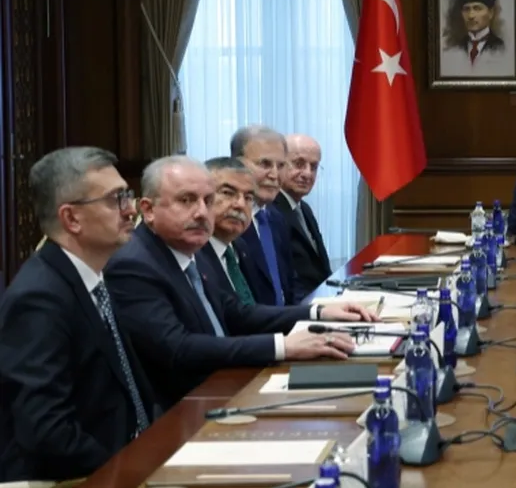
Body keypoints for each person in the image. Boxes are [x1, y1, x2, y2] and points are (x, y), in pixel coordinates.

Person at [105, 156, 377, 409]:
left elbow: (237, 313)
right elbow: (178, 348)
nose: (202, 213)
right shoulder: (134, 264)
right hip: (186, 408)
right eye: (187, 200)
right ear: (148, 210)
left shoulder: (192, 250)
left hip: (226, 384)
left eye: (208, 201)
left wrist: (318, 312)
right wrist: (283, 346)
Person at [0, 148, 157, 482]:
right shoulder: (39, 298)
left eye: (127, 195)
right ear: (71, 219)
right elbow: (47, 430)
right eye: (116, 199)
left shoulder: (93, 276)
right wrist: (128, 472)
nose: (131, 210)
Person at [230, 125, 298, 305]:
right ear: (237, 165)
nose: (275, 175)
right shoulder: (227, 223)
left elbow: (290, 287)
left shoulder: (277, 218)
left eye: (281, 165)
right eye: (265, 164)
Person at [275, 134, 332, 300]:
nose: (307, 173)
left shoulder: (303, 208)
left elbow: (319, 268)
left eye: (314, 167)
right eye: (299, 164)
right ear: (279, 165)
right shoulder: (272, 212)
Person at [199, 157, 258, 306]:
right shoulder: (193, 252)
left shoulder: (241, 246)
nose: (240, 204)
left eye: (248, 197)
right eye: (227, 193)